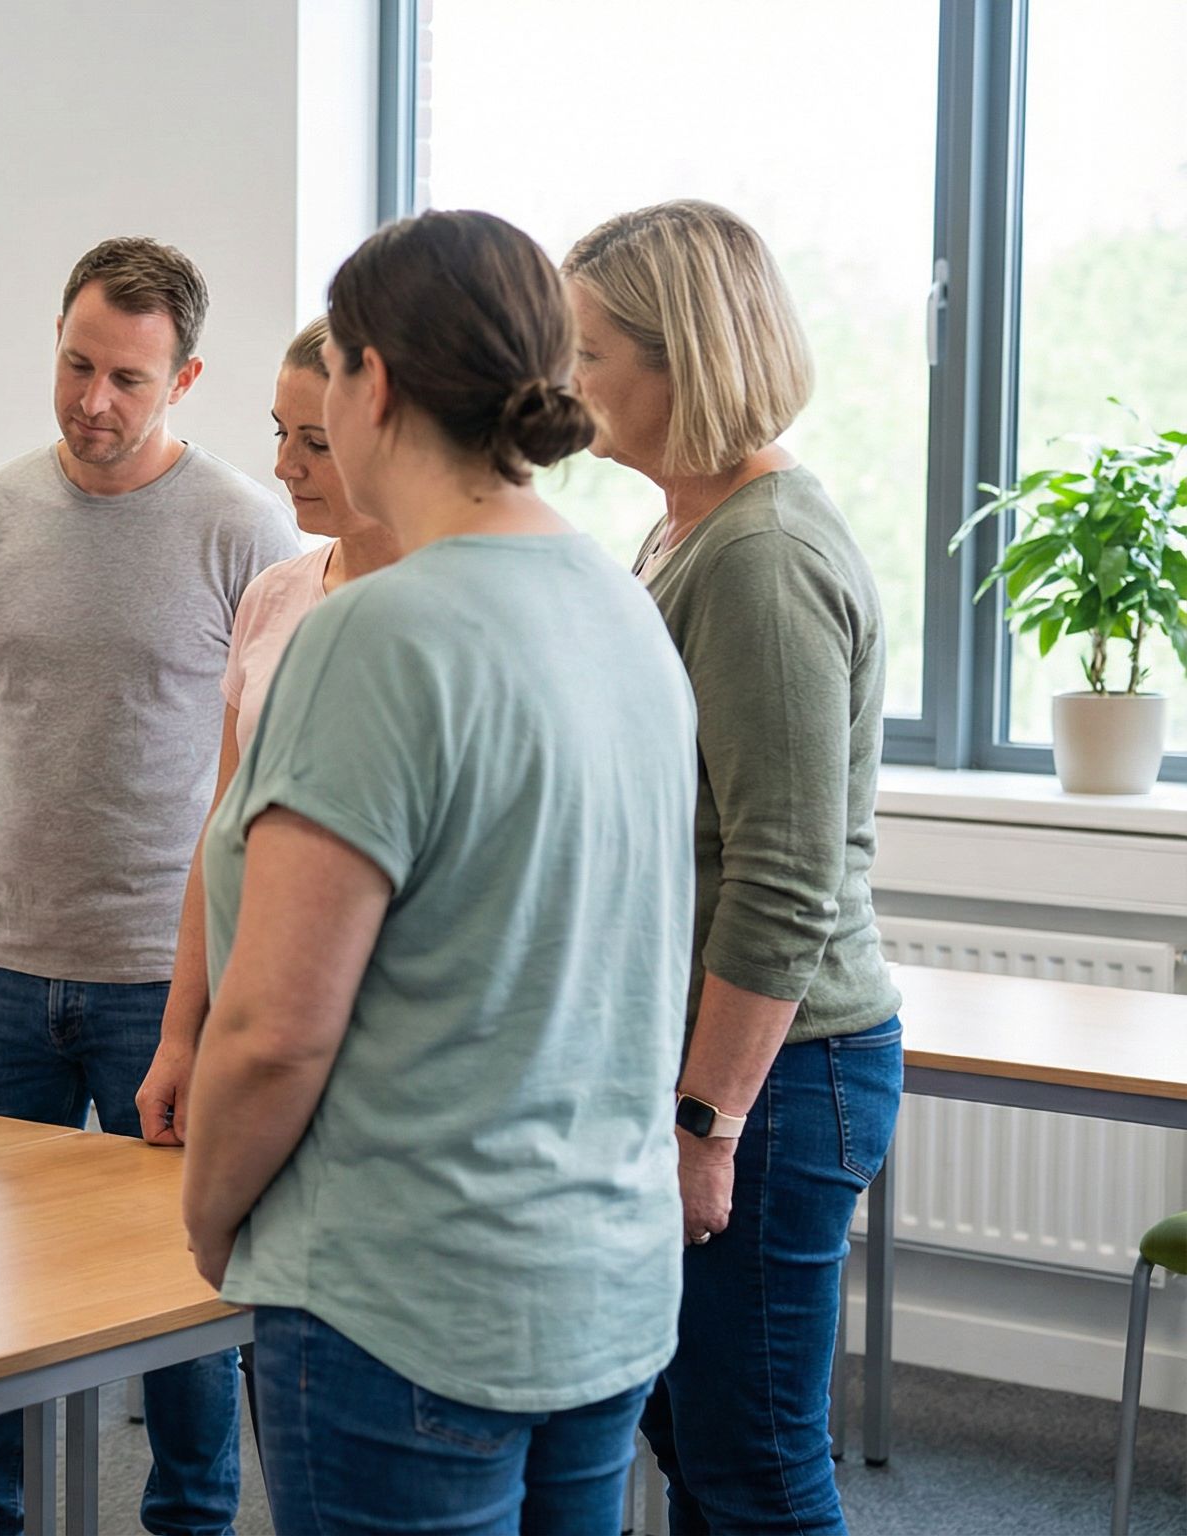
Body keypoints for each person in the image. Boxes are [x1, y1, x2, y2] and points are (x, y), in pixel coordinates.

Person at [179, 209, 698, 1535]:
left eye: (332, 374)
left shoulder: (377, 634)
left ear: (377, 385)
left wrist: (212, 1215)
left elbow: (278, 1031)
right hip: (599, 1286)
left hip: (399, 1293)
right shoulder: (622, 602)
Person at [0, 236, 298, 1536]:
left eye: (128, 378)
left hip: (167, 980)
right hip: (4, 967)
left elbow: (257, 768)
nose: (94, 400)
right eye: (77, 365)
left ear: (184, 375)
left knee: (183, 1281)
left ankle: (189, 1523)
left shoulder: (248, 530)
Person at [565, 198, 903, 1535]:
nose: (568, 379)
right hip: (730, 1058)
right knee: (699, 1439)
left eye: (591, 350)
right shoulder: (688, 528)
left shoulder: (762, 558)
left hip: (778, 1071)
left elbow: (783, 874)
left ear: (681, 359)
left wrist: (709, 1125)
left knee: (752, 1461)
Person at [137, 314, 401, 1147]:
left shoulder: (455, 617)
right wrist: (182, 1036)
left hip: (389, 1051)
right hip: (260, 1028)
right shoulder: (273, 597)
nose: (285, 465)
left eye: (317, 443)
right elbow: (224, 835)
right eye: (283, 434)